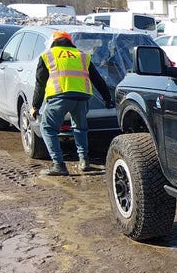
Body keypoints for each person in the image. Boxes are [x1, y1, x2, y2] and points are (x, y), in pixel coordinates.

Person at [30, 31, 115, 176]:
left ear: (53, 42)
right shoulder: (82, 55)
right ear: (70, 42)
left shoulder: (48, 55)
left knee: (48, 128)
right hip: (82, 97)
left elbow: (40, 83)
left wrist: (35, 106)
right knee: (80, 128)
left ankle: (58, 165)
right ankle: (84, 161)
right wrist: (108, 99)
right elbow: (98, 80)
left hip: (60, 96)